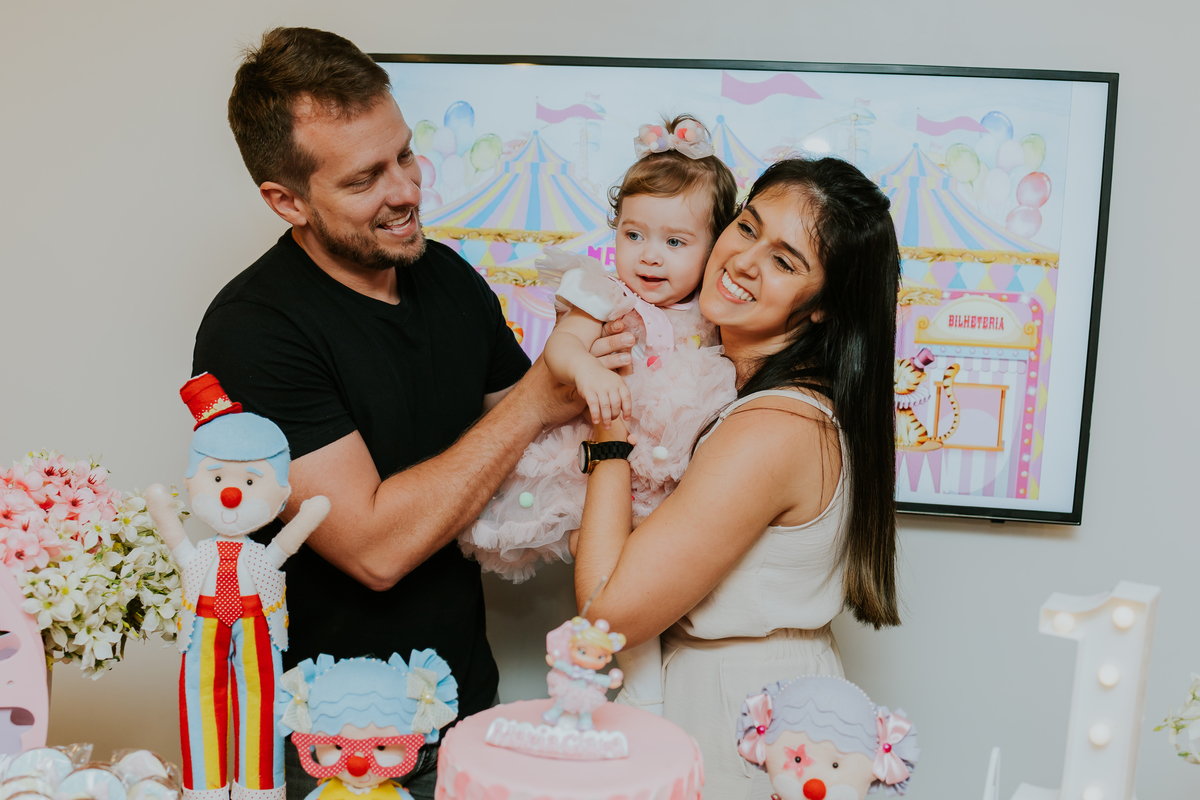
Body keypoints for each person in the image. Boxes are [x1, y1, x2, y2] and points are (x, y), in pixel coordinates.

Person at [192, 27, 630, 800]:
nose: (404, 192)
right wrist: (538, 397)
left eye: (404, 155)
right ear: (287, 200)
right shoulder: (252, 332)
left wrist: (606, 346)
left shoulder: (447, 276)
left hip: (463, 711)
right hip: (330, 742)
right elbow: (374, 548)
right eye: (365, 179)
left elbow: (540, 450)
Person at [571, 157, 903, 798]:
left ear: (824, 308)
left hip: (743, 713)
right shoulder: (742, 393)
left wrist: (608, 433)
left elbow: (601, 619)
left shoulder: (774, 427)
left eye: (786, 261)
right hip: (749, 691)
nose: (745, 261)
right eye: (748, 228)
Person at [461, 116, 738, 716]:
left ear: (714, 247)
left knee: (663, 584)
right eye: (633, 234)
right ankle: (634, 700)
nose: (649, 257)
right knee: (604, 582)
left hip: (671, 470)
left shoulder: (714, 313)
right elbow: (562, 347)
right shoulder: (604, 292)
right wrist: (586, 371)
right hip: (592, 468)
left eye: (675, 242)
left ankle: (648, 694)